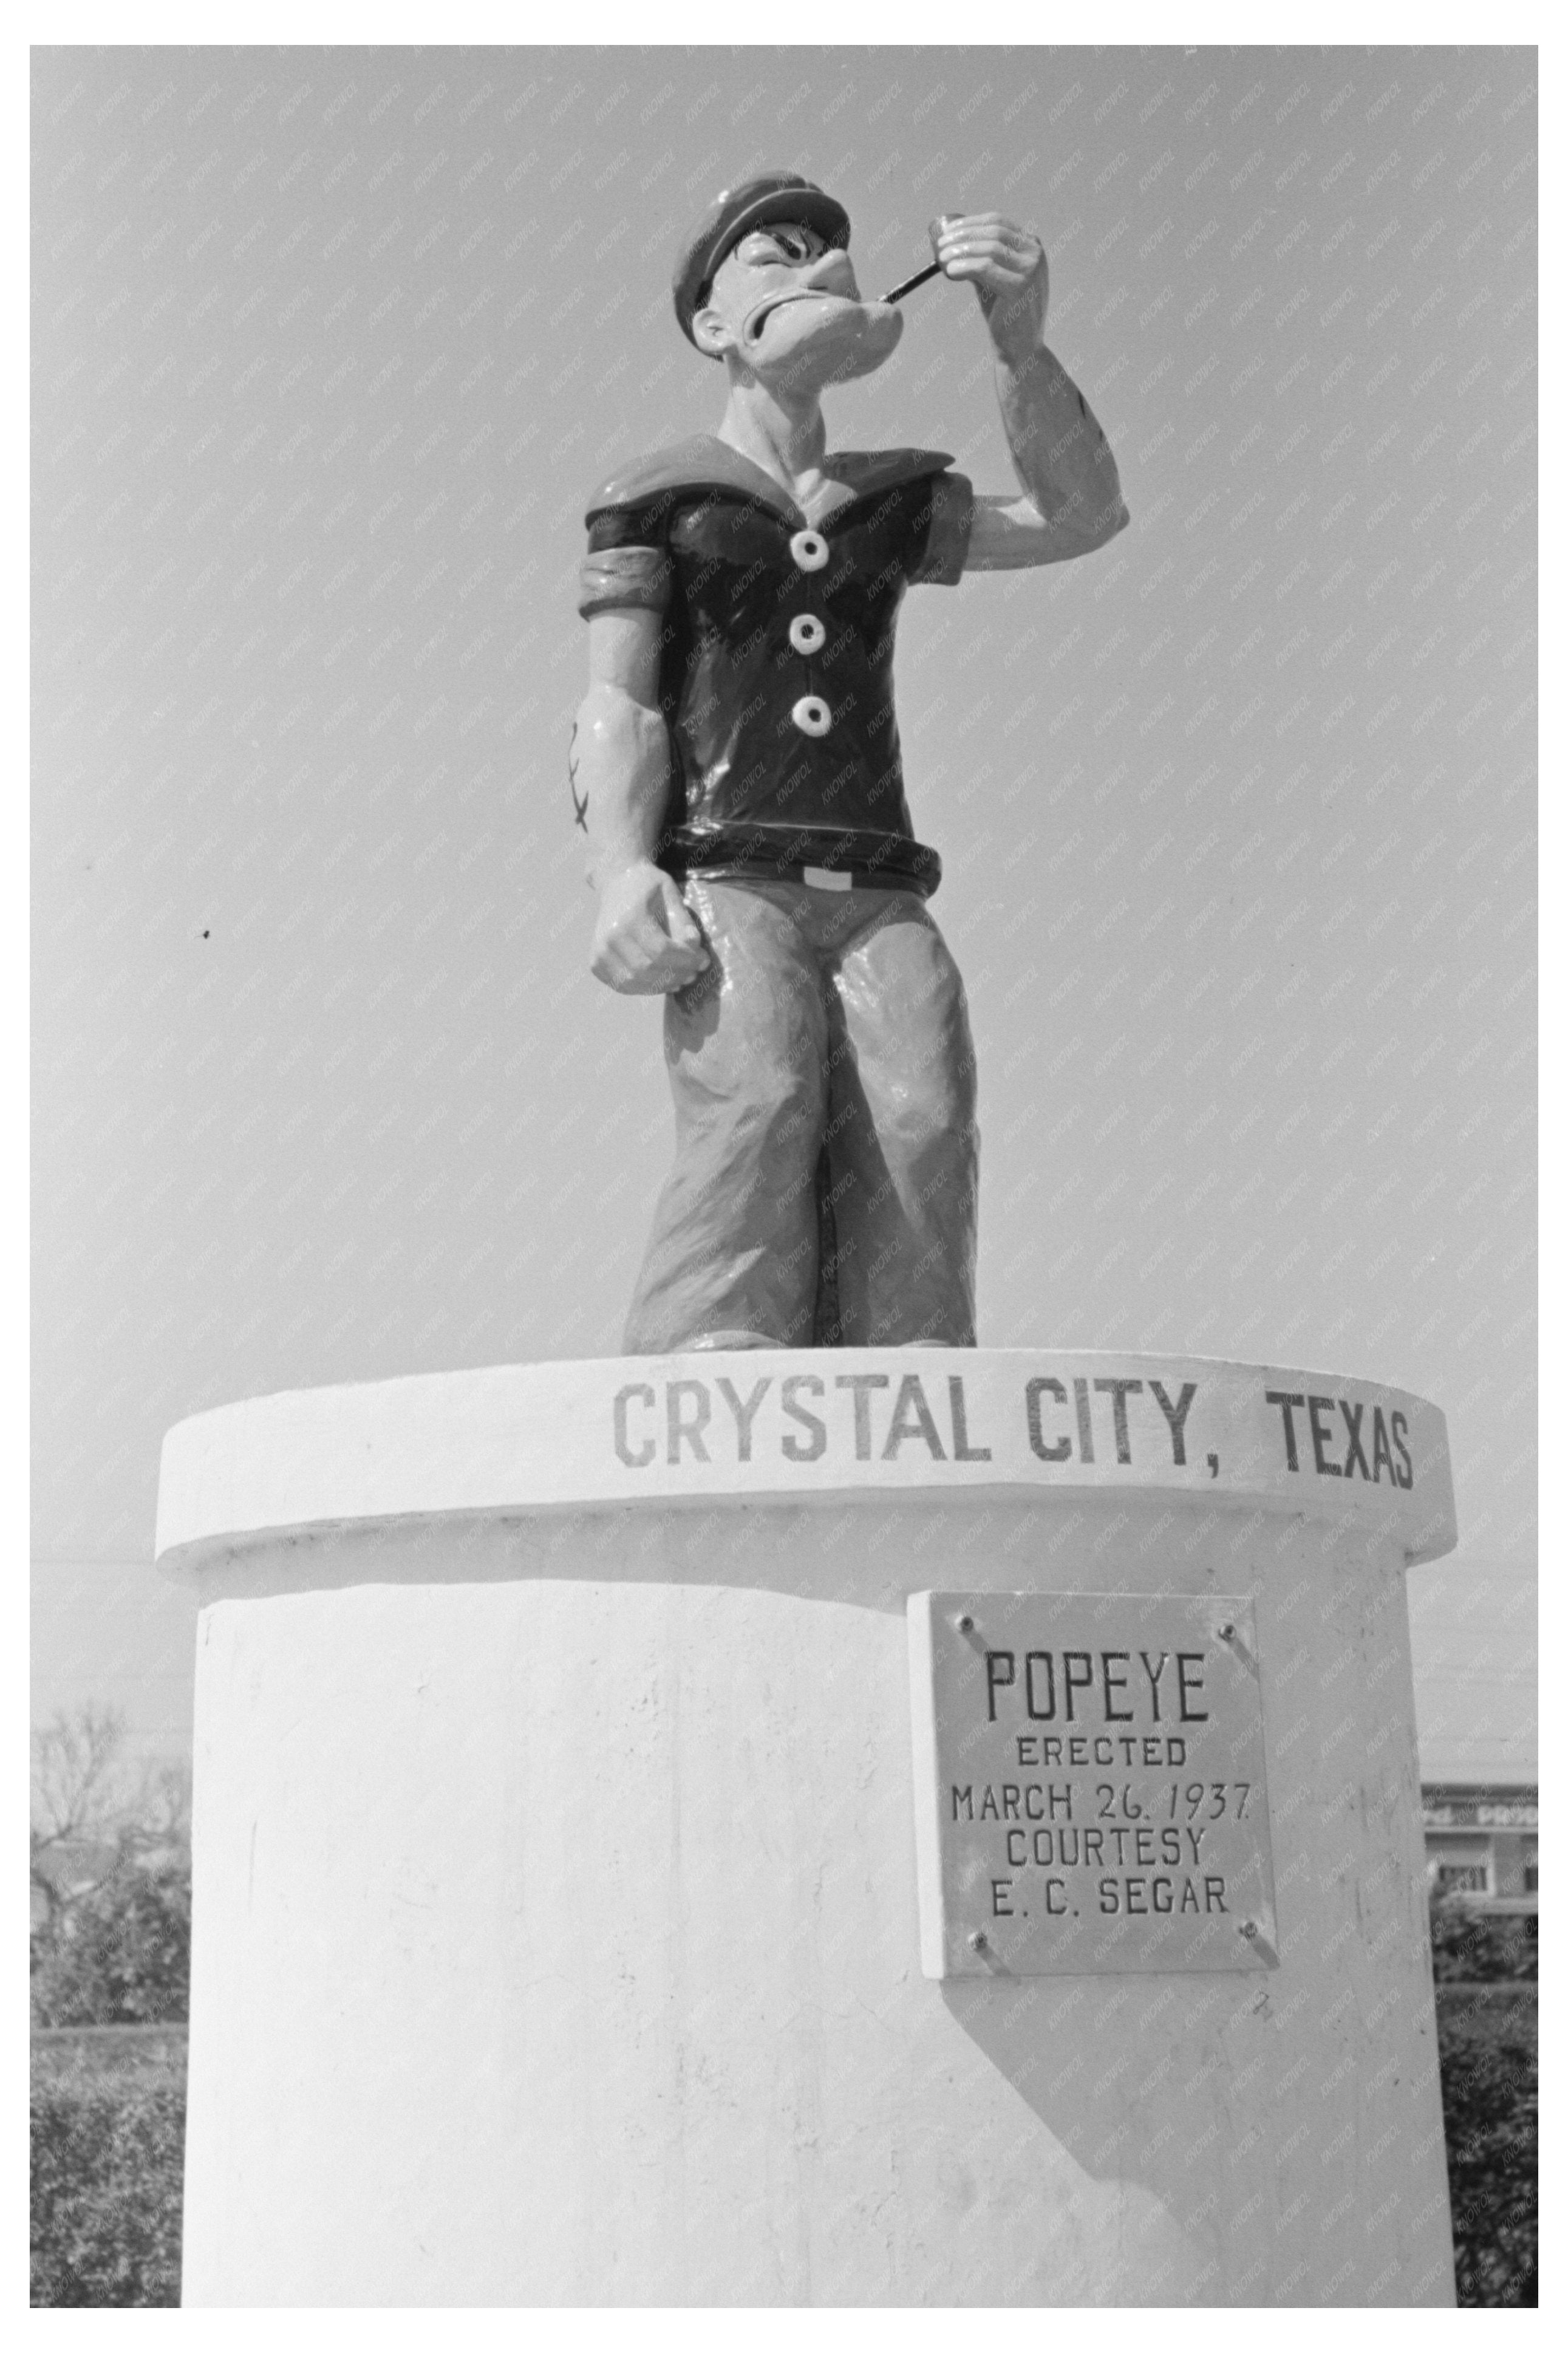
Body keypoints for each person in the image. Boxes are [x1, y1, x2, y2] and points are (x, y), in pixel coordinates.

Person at [573, 171, 1128, 1353]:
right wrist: (621, 867)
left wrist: (1020, 348)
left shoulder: (890, 500)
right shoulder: (661, 499)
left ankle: (909, 1352)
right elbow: (618, 699)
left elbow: (1077, 514)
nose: (821, 269)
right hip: (731, 872)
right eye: (776, 254)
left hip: (875, 876)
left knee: (923, 1113)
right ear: (713, 324)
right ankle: (707, 1341)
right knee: (757, 1093)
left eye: (833, 253)